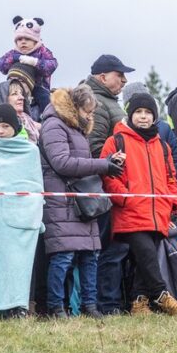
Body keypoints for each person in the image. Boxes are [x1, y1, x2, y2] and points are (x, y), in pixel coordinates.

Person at [101, 92, 177, 316]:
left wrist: (171, 203)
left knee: (145, 258)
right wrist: (125, 198)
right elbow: (109, 177)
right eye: (138, 112)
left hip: (157, 213)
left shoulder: (162, 146)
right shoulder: (116, 141)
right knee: (148, 255)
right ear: (130, 115)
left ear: (154, 117)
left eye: (148, 113)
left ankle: (138, 303)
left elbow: (171, 178)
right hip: (130, 212)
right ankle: (162, 297)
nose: (143, 117)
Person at [39, 85, 122, 318]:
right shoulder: (54, 124)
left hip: (82, 200)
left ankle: (90, 306)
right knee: (64, 256)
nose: (90, 116)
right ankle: (56, 307)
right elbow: (62, 163)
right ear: (75, 107)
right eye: (88, 111)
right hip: (62, 200)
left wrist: (104, 163)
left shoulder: (75, 128)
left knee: (90, 254)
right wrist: (102, 165)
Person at [0, 103, 44, 319]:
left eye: (5, 126)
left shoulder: (31, 152)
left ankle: (17, 305)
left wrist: (31, 212)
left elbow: (34, 186)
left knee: (18, 262)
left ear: (15, 126)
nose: (1, 131)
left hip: (20, 217)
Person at [84, 54, 134, 315]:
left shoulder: (109, 102)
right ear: (103, 77)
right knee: (108, 249)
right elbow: (95, 149)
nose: (124, 79)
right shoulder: (97, 104)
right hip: (103, 188)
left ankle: (113, 303)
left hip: (115, 186)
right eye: (119, 74)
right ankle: (106, 303)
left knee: (116, 249)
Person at [121, 82, 177, 179]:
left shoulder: (164, 129)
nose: (143, 116)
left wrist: (170, 178)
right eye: (138, 110)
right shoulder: (121, 133)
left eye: (147, 111)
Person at [0, 16, 56, 109]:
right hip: (15, 85)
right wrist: (15, 58)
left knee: (44, 99)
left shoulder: (42, 51)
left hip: (39, 86)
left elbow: (52, 65)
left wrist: (35, 62)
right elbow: (0, 64)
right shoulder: (13, 53)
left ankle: (45, 117)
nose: (23, 42)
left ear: (35, 41)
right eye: (20, 39)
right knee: (4, 97)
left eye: (27, 39)